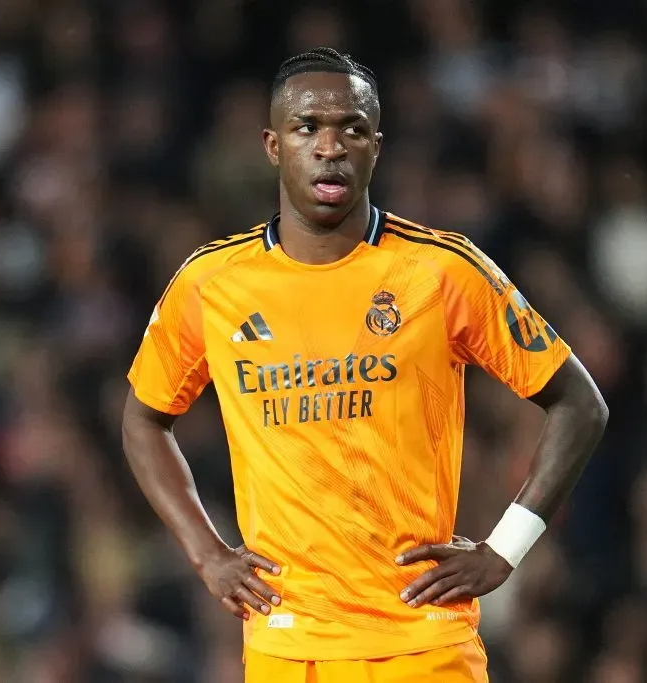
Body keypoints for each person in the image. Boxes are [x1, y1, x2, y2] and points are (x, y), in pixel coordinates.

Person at [121, 47, 609, 683]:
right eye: (307, 128)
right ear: (273, 146)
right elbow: (142, 420)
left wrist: (504, 550)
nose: (330, 147)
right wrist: (208, 555)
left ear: (376, 145)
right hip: (289, 648)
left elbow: (580, 404)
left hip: (422, 644)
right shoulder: (212, 283)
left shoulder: (441, 271)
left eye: (351, 128)